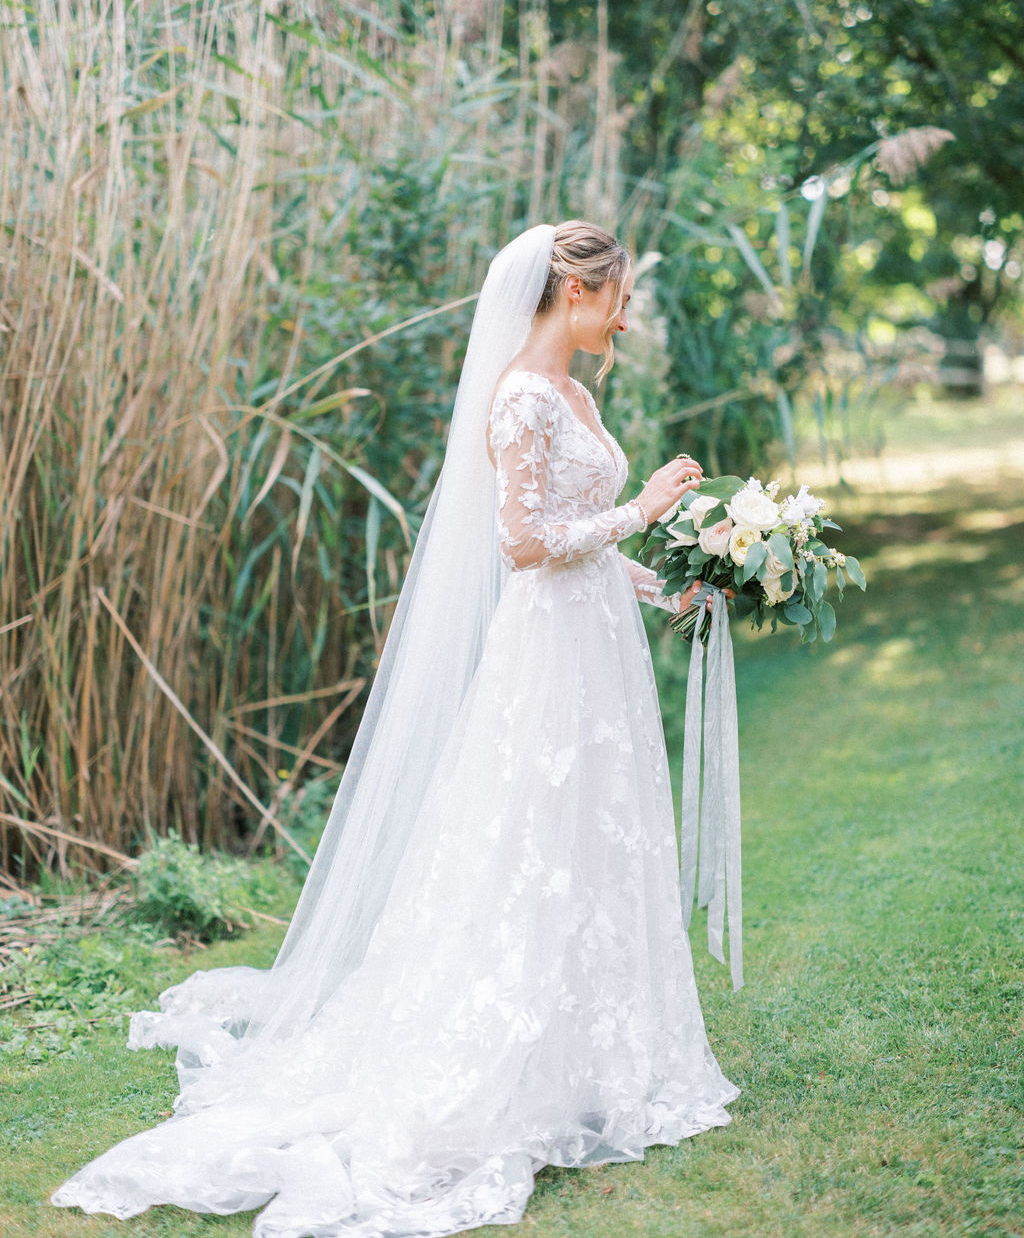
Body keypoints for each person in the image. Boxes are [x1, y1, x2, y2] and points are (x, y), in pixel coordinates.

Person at [52, 221, 738, 1238]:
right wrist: (641, 510)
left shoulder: (578, 396)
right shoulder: (516, 400)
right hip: (545, 662)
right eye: (616, 296)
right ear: (573, 292)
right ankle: (499, 1063)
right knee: (530, 849)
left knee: (592, 842)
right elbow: (522, 542)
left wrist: (668, 590)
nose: (626, 314)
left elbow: (580, 551)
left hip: (598, 650)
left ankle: (594, 1055)